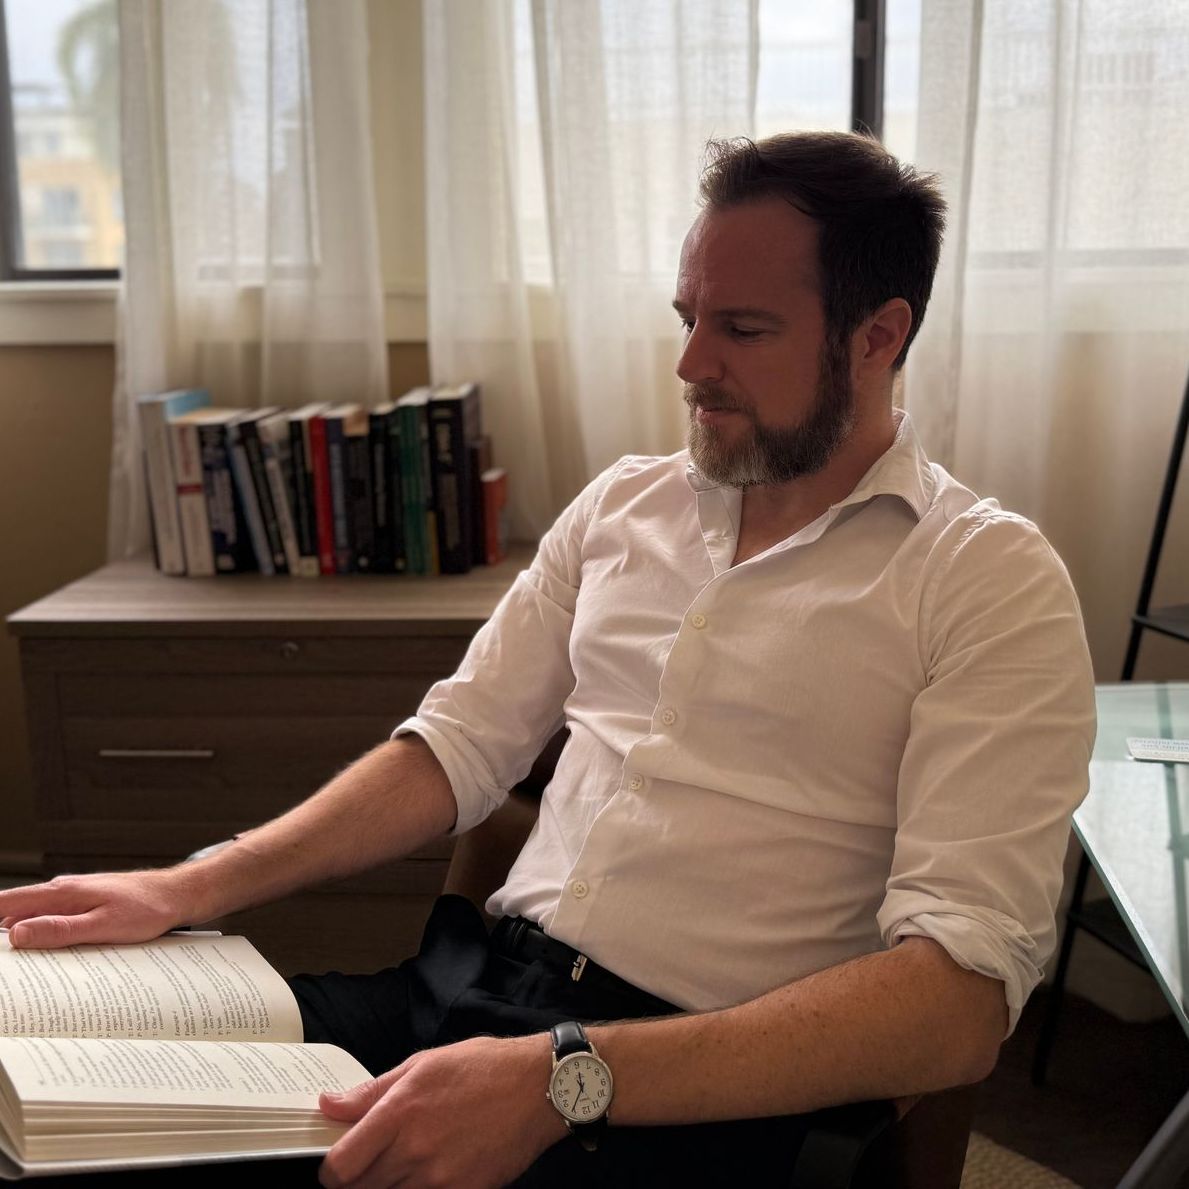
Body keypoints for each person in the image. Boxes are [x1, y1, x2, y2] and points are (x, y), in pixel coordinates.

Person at [0, 131, 1096, 1188]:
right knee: (48, 1090)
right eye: (688, 318)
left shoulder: (983, 579)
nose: (691, 364)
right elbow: (455, 747)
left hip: (685, 1087)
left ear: (877, 336)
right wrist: (187, 885)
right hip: (460, 996)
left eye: (743, 329)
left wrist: (564, 1076)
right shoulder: (624, 505)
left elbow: (956, 1003)